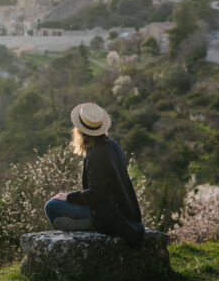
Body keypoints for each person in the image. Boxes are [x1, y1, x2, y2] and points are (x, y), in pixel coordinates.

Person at [44, 102, 145, 249]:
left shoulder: (96, 154)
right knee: (59, 204)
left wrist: (68, 196)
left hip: (107, 214)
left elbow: (96, 194)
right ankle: (87, 224)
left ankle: (90, 226)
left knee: (51, 206)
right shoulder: (112, 145)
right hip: (124, 211)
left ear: (80, 130)